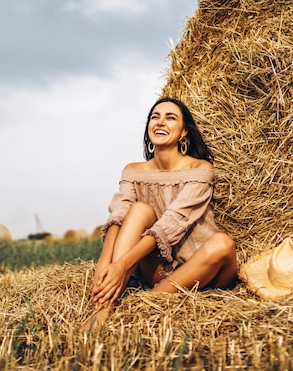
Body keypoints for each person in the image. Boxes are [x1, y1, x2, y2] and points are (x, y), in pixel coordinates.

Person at [82, 97, 238, 330]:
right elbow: (118, 214)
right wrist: (106, 262)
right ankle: (105, 306)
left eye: (170, 117)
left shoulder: (200, 168)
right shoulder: (133, 170)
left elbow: (172, 222)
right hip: (156, 267)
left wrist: (123, 265)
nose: (160, 122)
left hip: (203, 269)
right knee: (139, 210)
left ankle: (147, 306)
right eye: (155, 117)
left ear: (184, 132)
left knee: (223, 243)